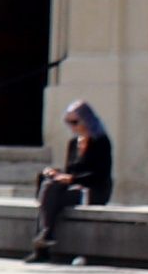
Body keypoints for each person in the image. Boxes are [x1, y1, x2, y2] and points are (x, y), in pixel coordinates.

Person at [26, 101, 112, 263]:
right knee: (49, 186)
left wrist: (72, 179)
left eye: (74, 122)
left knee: (49, 196)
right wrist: (57, 174)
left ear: (87, 120)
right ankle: (45, 236)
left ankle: (43, 244)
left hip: (94, 191)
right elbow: (71, 170)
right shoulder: (73, 144)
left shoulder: (100, 142)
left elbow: (100, 175)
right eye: (68, 122)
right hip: (75, 188)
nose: (72, 127)